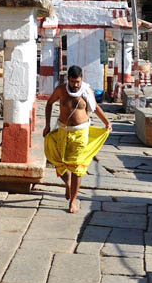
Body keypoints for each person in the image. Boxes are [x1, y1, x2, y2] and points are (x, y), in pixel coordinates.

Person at [42, 65, 112, 213]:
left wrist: (106, 122)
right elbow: (49, 104)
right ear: (68, 79)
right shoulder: (61, 90)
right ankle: (67, 183)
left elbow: (95, 108)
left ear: (82, 80)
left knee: (78, 167)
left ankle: (73, 201)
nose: (75, 85)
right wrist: (47, 125)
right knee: (59, 162)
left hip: (81, 133)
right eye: (73, 82)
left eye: (78, 82)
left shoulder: (86, 90)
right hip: (63, 131)